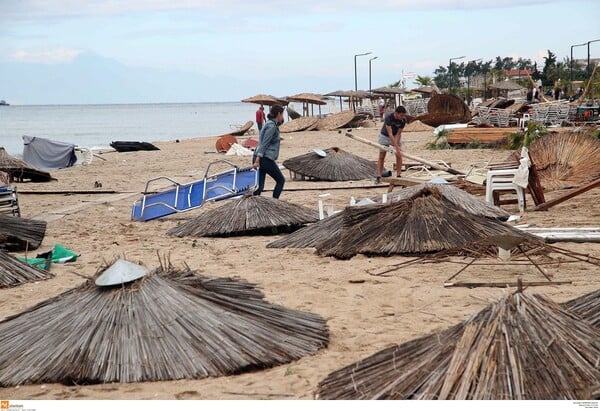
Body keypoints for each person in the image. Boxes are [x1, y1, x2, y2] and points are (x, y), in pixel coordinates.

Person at [252, 104, 285, 199]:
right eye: (282, 115)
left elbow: (280, 123)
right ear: (278, 114)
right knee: (280, 180)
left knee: (259, 187)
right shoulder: (271, 126)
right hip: (264, 158)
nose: (283, 117)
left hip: (260, 157)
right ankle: (274, 202)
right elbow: (264, 143)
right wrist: (257, 160)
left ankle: (253, 205)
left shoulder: (270, 123)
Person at [377, 105, 407, 180]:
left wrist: (396, 146)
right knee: (381, 156)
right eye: (401, 115)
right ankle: (379, 176)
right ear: (396, 113)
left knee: (399, 155)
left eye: (404, 115)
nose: (402, 117)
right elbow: (389, 133)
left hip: (395, 135)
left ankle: (399, 175)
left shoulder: (403, 121)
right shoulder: (388, 117)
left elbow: (398, 133)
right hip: (385, 136)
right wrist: (396, 147)